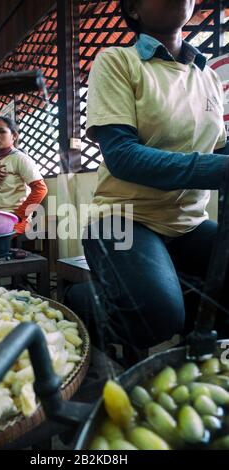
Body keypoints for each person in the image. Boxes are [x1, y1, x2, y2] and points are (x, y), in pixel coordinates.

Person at [82, 0, 229, 356]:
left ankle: (194, 343)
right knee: (156, 314)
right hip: (122, 219)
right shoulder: (118, 62)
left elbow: (218, 151)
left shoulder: (207, 76)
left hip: (187, 224)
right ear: (133, 9)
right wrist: (219, 169)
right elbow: (124, 158)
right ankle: (81, 302)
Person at [0, 116, 48, 235]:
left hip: (15, 218)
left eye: (1, 131)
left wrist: (19, 215)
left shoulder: (21, 159)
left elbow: (41, 189)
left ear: (14, 136)